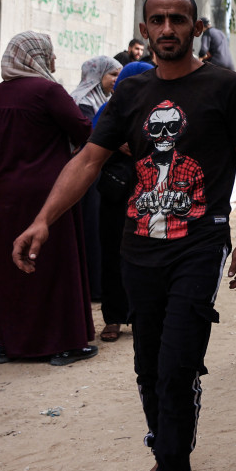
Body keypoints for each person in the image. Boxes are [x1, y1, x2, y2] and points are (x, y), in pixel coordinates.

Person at [12, 0, 236, 471]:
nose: (167, 28)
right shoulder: (130, 92)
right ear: (145, 29)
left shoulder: (226, 86)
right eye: (157, 19)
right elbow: (88, 160)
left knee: (177, 365)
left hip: (199, 246)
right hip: (138, 248)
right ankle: (163, 453)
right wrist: (42, 220)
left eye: (178, 19)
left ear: (196, 28)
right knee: (148, 367)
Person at [0, 32, 96, 365]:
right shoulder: (48, 90)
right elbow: (84, 130)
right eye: (49, 53)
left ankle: (10, 343)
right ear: (37, 57)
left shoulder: (0, 93)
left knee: (10, 267)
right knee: (52, 264)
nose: (54, 60)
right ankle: (61, 343)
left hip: (0, 190)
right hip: (45, 190)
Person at [94, 61, 155, 345]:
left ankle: (143, 315)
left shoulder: (162, 110)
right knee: (113, 254)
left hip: (152, 196)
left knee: (148, 255)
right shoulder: (110, 111)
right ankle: (113, 317)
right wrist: (115, 141)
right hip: (116, 197)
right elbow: (89, 149)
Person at [71, 55, 123, 300]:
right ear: (97, 75)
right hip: (85, 175)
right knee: (91, 230)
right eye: (112, 74)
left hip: (97, 173)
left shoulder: (103, 101)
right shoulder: (82, 103)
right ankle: (92, 287)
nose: (116, 80)